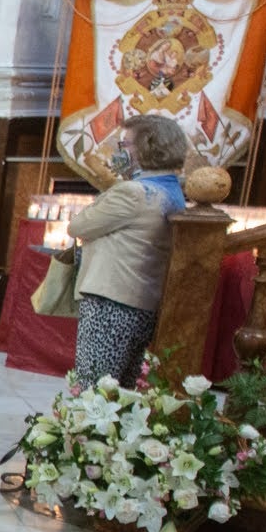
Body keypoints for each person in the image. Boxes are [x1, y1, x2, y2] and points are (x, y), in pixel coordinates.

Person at [68, 112, 189, 386]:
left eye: (126, 145)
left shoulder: (133, 193)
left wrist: (113, 186)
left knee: (95, 388)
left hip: (111, 301)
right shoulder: (173, 192)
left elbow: (78, 226)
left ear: (148, 147)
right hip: (143, 301)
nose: (120, 151)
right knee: (122, 389)